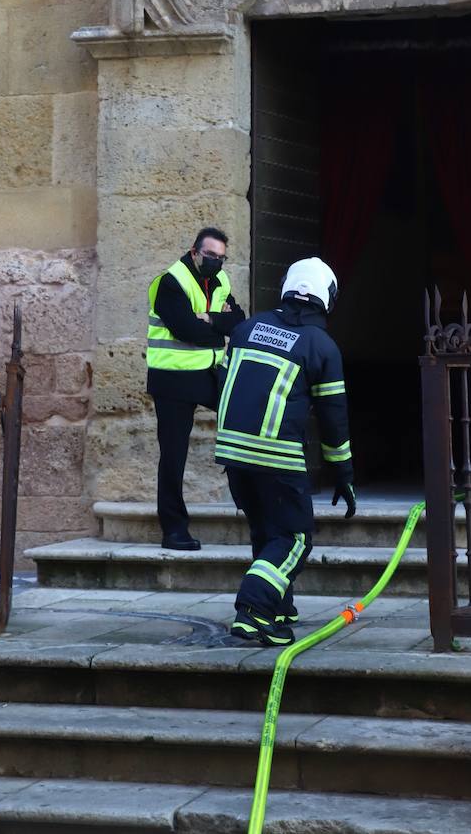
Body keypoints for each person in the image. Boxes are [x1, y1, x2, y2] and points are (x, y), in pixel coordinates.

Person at [215, 257, 356, 646]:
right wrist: (342, 474)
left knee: (266, 530)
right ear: (327, 296)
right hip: (277, 455)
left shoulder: (246, 329)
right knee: (295, 537)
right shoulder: (321, 346)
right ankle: (254, 611)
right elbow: (333, 418)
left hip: (232, 452)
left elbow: (224, 384)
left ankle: (279, 607)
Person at [147, 227, 246, 550]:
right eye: (210, 255)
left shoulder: (220, 281)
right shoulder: (170, 281)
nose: (216, 262)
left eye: (221, 257)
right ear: (194, 252)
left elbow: (240, 320)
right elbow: (184, 329)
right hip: (173, 380)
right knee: (173, 456)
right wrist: (216, 325)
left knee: (245, 418)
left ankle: (250, 498)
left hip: (210, 374)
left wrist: (209, 320)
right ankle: (174, 530)